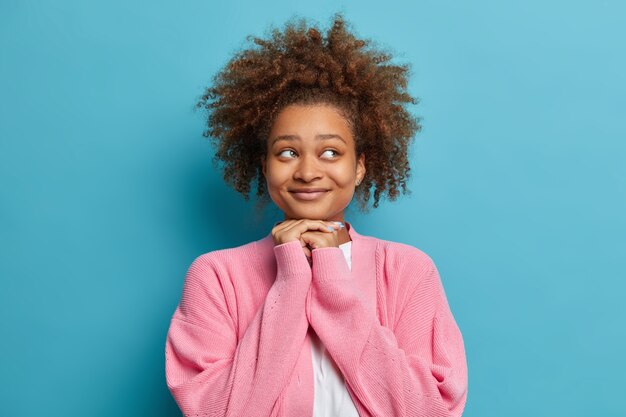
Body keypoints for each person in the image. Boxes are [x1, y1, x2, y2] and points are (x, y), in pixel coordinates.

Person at [165, 13, 468, 417]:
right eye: (287, 152)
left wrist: (330, 275)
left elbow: (429, 410)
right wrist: (291, 278)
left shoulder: (408, 271)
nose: (308, 171)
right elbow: (218, 412)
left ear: (360, 165)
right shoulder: (216, 276)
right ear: (264, 164)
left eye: (330, 152)